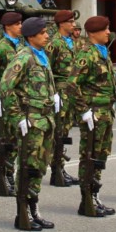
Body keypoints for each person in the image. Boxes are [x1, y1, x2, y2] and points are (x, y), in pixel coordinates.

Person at [1, 17, 58, 231]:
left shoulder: (41, 56)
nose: (46, 36)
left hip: (45, 119)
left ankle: (34, 210)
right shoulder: (24, 57)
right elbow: (5, 87)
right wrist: (17, 117)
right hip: (31, 120)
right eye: (43, 33)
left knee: (40, 167)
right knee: (27, 167)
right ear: (31, 36)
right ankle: (23, 212)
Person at [71, 15, 116, 217]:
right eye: (105, 29)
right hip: (94, 114)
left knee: (100, 155)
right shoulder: (86, 54)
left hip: (105, 112)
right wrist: (84, 110)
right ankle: (87, 199)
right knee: (89, 156)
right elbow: (72, 84)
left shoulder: (102, 52)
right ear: (92, 33)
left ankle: (95, 195)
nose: (108, 32)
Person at [0, 11, 23, 197]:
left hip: (17, 101)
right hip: (3, 102)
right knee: (4, 142)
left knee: (14, 141)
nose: (21, 27)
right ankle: (4, 178)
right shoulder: (0, 48)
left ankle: (11, 174)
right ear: (8, 26)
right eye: (17, 24)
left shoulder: (20, 47)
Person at [46, 10, 79, 188]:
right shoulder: (54, 44)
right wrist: (53, 94)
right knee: (58, 133)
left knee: (65, 132)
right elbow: (47, 70)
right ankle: (55, 171)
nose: (74, 24)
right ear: (61, 24)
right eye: (70, 21)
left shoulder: (72, 43)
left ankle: (62, 168)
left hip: (70, 92)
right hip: (60, 92)